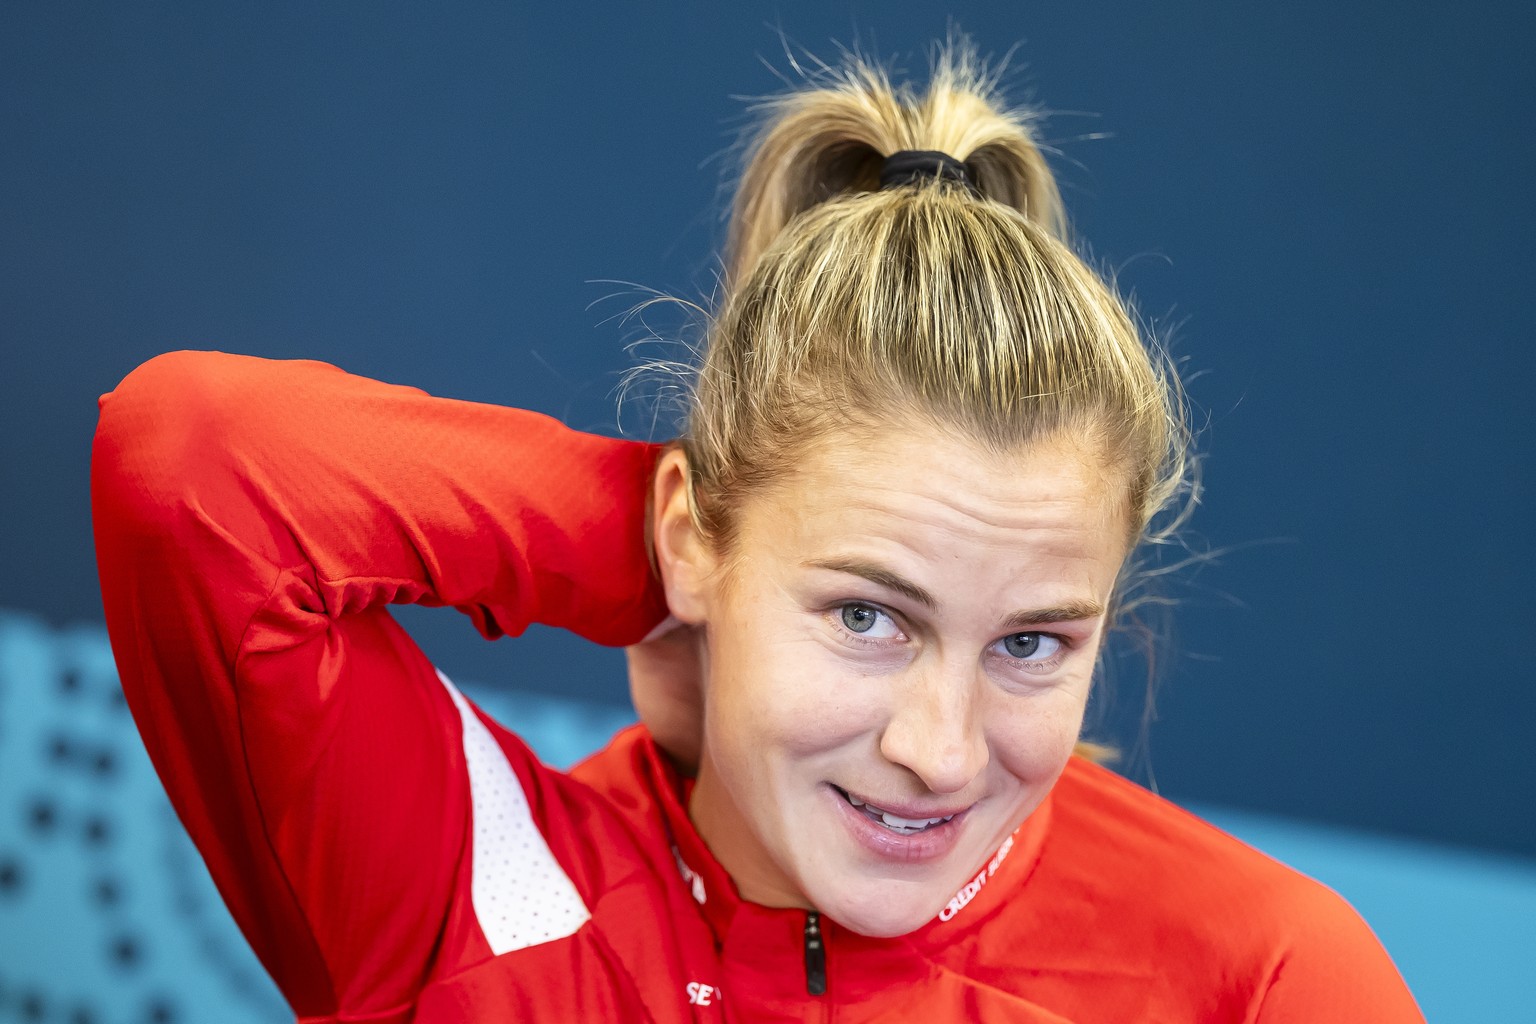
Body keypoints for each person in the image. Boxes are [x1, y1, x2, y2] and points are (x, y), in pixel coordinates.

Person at [91, 45, 1424, 1022]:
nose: (940, 750)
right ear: (694, 537)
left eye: (1031, 641)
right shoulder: (475, 880)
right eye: (866, 615)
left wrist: (760, 590)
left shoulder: (1264, 979)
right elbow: (196, 461)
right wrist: (682, 575)